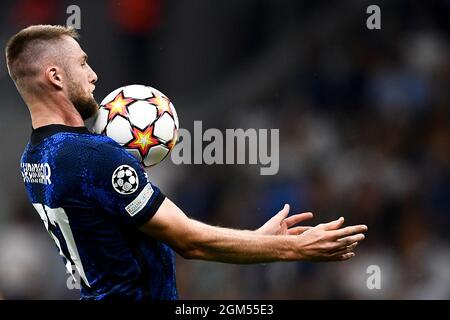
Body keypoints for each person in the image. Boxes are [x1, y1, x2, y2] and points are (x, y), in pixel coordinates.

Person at [5, 25, 367, 300]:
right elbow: (188, 241)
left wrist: (255, 241)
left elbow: (130, 236)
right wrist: (294, 249)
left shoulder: (33, 158)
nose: (93, 75)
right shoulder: (91, 155)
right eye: (83, 63)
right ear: (55, 76)